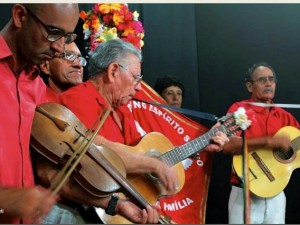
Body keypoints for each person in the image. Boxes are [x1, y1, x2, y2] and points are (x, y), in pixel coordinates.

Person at [58, 39, 228, 214]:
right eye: (136, 78)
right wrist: (154, 165)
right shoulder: (77, 99)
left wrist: (199, 145)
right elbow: (93, 152)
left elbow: (139, 157)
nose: (139, 87)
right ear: (113, 71)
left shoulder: (123, 110)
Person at [0, 3, 79, 223]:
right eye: (54, 33)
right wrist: (6, 201)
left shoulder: (36, 85)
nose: (59, 48)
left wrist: (116, 204)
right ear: (20, 16)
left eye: (67, 37)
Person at [223, 62, 300, 224]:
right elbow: (227, 146)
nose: (268, 83)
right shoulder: (239, 109)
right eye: (262, 80)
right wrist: (267, 141)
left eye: (271, 79)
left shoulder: (285, 117)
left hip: (277, 195)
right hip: (244, 194)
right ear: (250, 86)